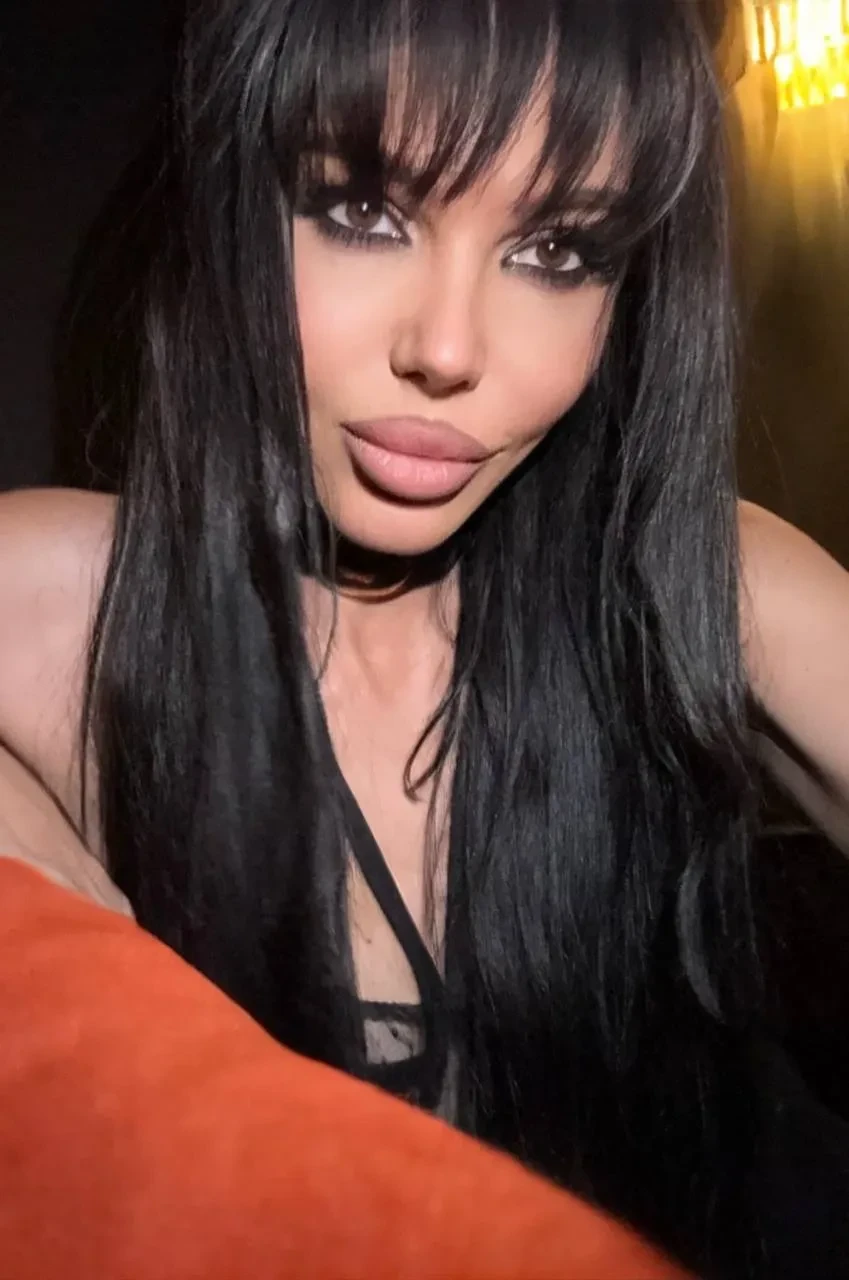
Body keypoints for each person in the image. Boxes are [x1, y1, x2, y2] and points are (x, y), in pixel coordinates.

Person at [0, 0, 848, 1274]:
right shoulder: (66, 598)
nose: (448, 351)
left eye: (558, 249)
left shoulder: (703, 582)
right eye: (362, 212)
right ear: (234, 210)